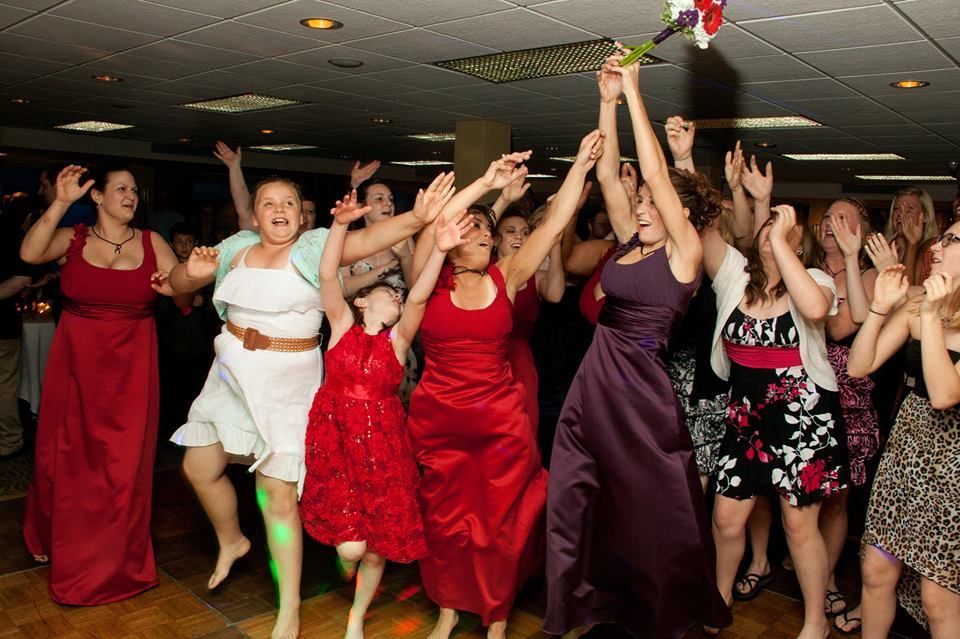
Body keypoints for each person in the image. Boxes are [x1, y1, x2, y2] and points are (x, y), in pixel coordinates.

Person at [168, 174, 451, 639]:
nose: (278, 209)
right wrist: (191, 273)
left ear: (301, 215)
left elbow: (367, 238)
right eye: (267, 203)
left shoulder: (313, 246)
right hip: (230, 373)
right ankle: (232, 540)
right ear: (254, 214)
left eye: (288, 203)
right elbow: (174, 285)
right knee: (199, 467)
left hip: (286, 380)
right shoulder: (237, 246)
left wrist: (418, 218)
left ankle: (289, 608)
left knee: (275, 495)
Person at [544, 53, 731, 638]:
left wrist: (635, 91)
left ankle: (662, 610)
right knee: (579, 498)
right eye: (644, 206)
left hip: (641, 394)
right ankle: (593, 601)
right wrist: (606, 100)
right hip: (593, 385)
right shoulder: (630, 244)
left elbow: (652, 175)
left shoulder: (686, 257)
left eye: (655, 205)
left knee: (651, 510)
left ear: (683, 217)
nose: (644, 208)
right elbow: (609, 176)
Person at [406, 134, 602, 639]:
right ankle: (449, 607)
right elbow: (440, 218)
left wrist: (579, 164)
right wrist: (485, 184)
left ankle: (496, 612)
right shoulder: (427, 279)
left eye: (487, 234)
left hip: (500, 422)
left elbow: (555, 223)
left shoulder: (508, 277)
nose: (483, 238)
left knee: (501, 524)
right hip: (441, 423)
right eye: (473, 230)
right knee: (445, 520)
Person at [300, 202, 470, 639]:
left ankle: (356, 617)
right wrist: (339, 224)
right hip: (336, 442)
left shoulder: (398, 342)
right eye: (385, 291)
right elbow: (325, 276)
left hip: (383, 451)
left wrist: (439, 251)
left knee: (375, 550)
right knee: (352, 547)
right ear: (361, 300)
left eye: (395, 294)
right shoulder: (340, 325)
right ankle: (344, 558)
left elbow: (418, 294)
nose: (394, 295)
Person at [21, 164, 183, 604]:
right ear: (98, 197)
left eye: (134, 189)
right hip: (75, 364)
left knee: (123, 465)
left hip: (131, 365)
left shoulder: (153, 242)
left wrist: (191, 278)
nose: (131, 195)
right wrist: (59, 201)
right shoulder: (73, 238)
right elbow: (30, 253)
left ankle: (114, 562)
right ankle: (59, 539)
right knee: (65, 459)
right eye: (121, 188)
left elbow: (180, 286)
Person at [847, 250, 960, 639]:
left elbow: (945, 394)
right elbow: (858, 366)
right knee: (876, 569)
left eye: (952, 240)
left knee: (937, 598)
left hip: (954, 465)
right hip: (906, 452)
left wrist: (929, 317)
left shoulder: (925, 310)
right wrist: (879, 309)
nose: (937, 249)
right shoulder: (917, 303)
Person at [494, 209, 564, 436]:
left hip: (521, 359)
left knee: (523, 423)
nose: (519, 237)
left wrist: (554, 247)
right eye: (511, 231)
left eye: (525, 233)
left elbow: (555, 294)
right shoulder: (481, 275)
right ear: (496, 240)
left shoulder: (536, 275)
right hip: (488, 358)